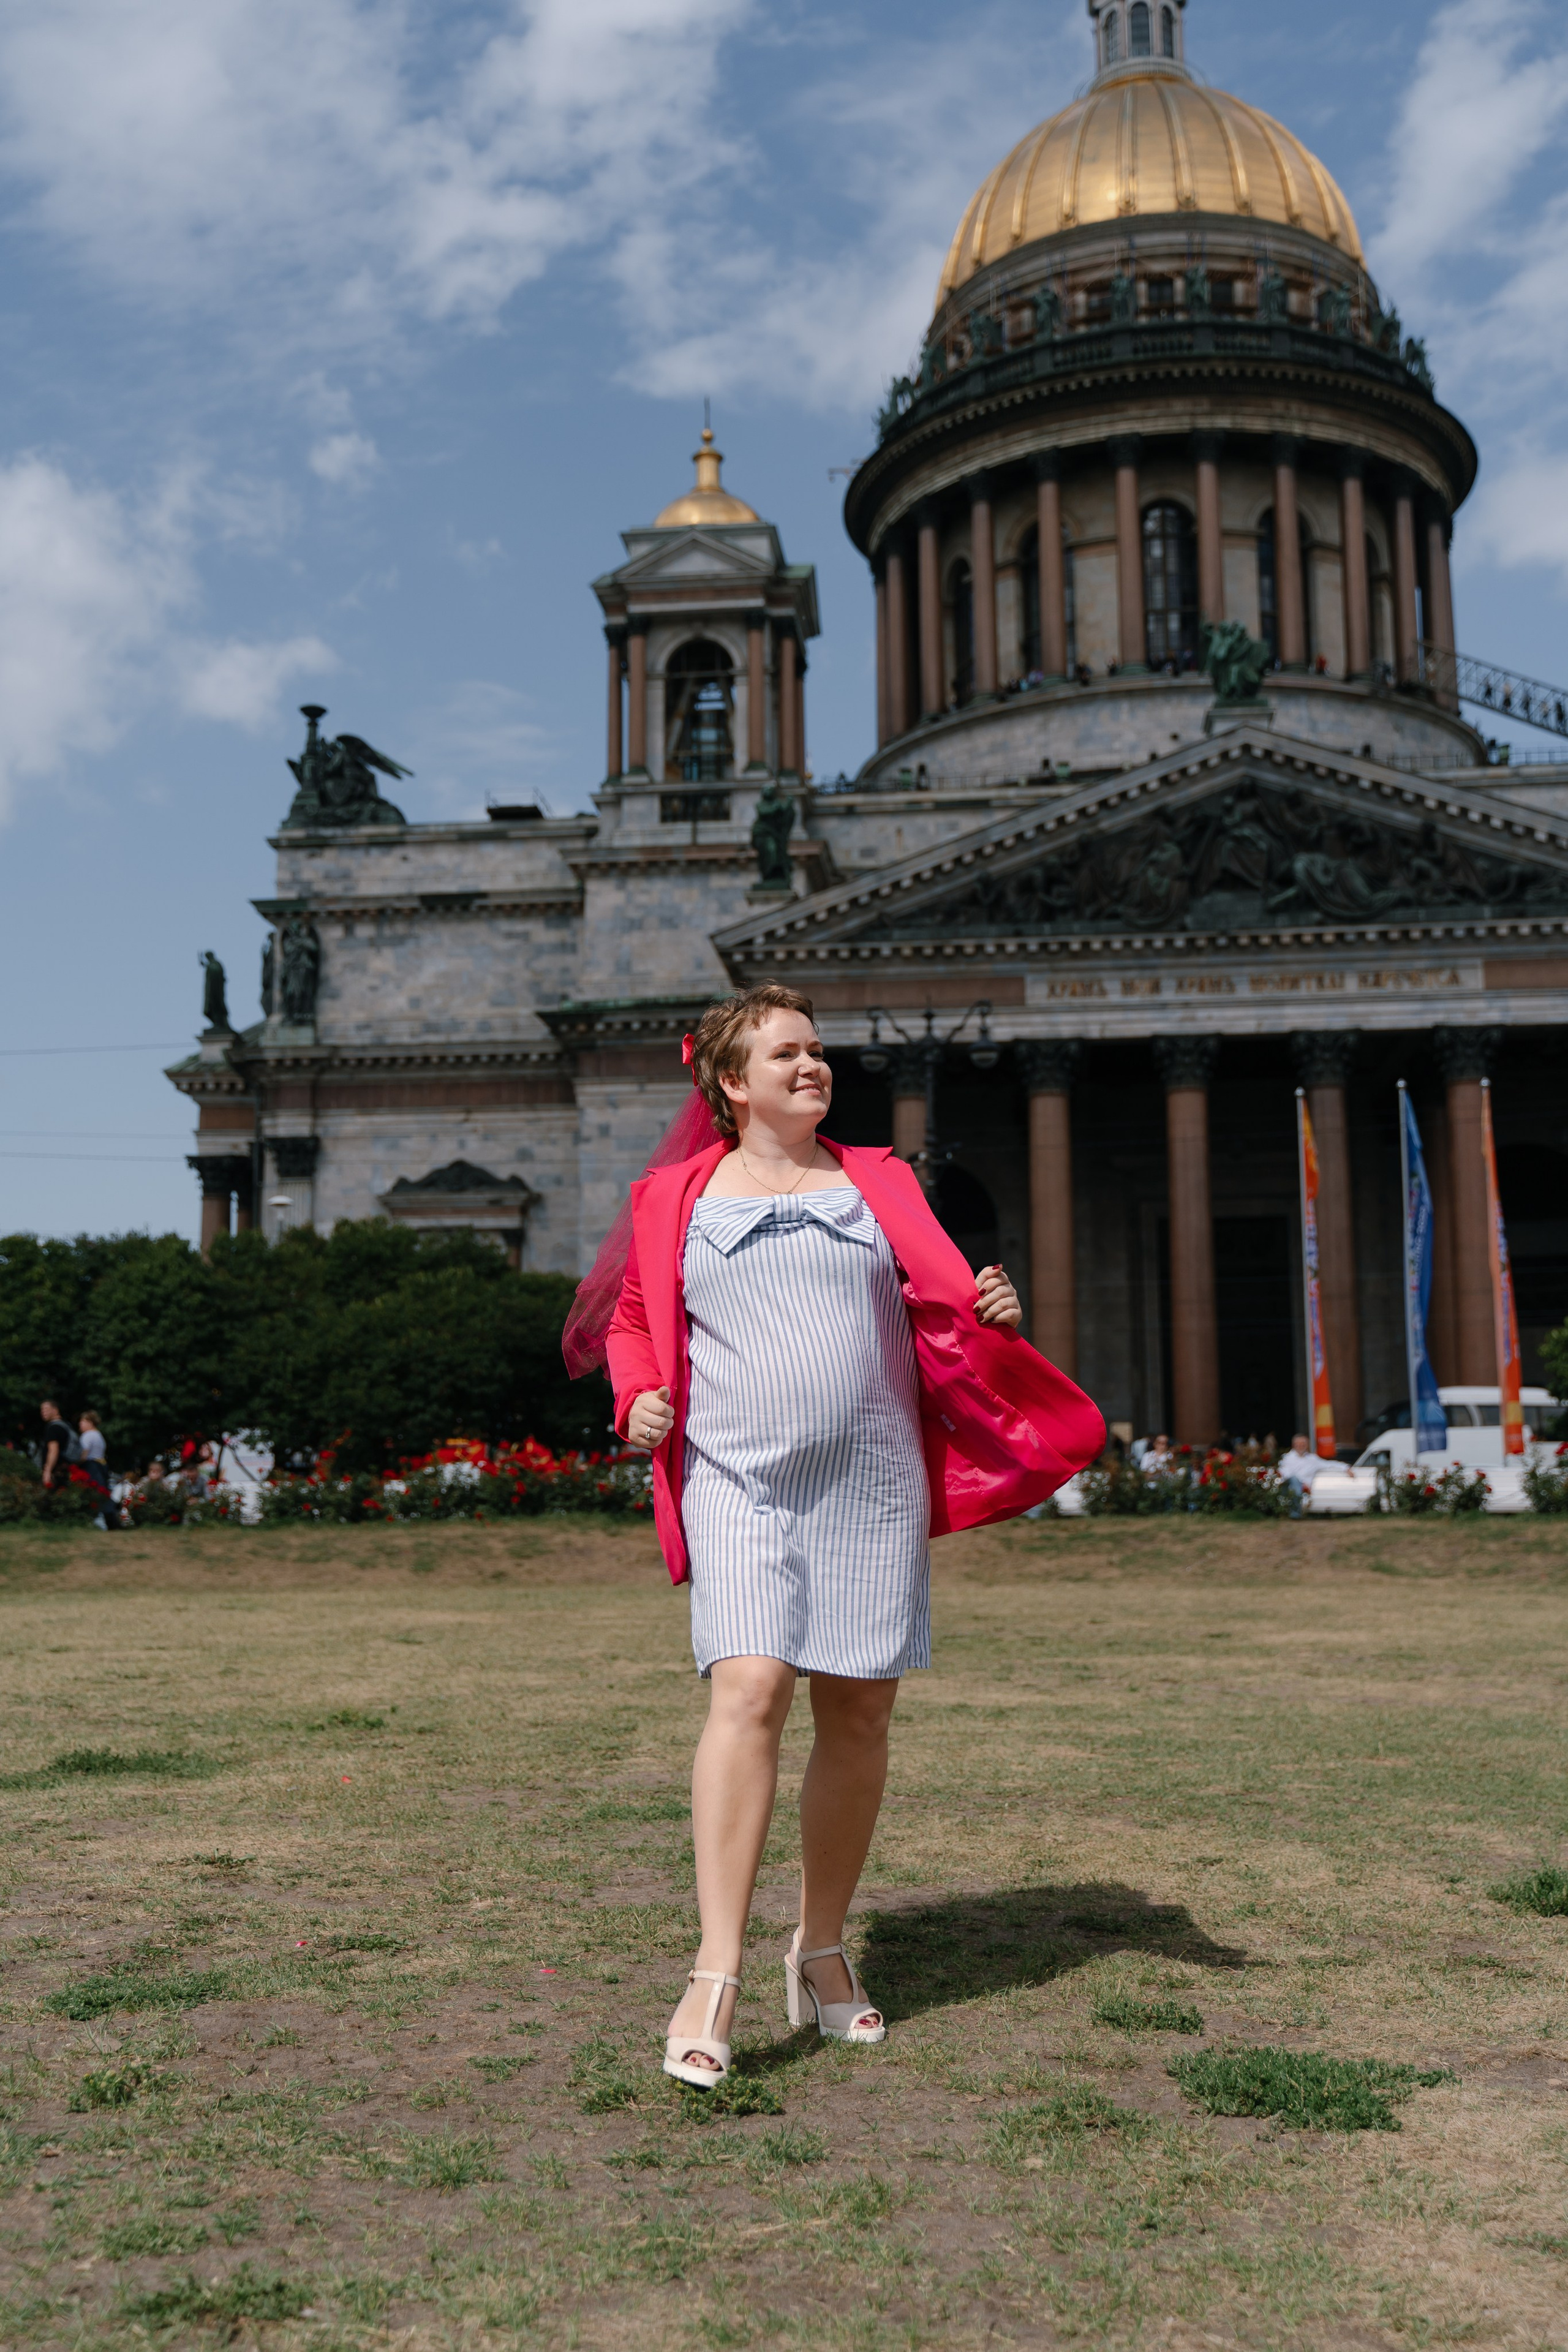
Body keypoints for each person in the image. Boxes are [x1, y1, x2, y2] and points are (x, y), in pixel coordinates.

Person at [581, 984, 1103, 2090]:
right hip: (736, 1476)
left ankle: (819, 1947)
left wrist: (993, 1307)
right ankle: (714, 1971)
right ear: (732, 1083)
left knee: (858, 1706)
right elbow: (633, 1318)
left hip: (871, 1474)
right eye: (786, 1054)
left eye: (817, 1051)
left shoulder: (883, 1180)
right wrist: (636, 1399)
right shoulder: (673, 1194)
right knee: (750, 1688)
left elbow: (948, 1302)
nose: (813, 1066)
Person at [75, 1411, 120, 1530]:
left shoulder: (87, 1436)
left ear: (90, 1423)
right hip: (101, 1466)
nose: (80, 1424)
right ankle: (112, 1520)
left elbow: (84, 1455)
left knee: (96, 1494)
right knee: (103, 1492)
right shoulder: (99, 1435)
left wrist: (75, 1464)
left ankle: (100, 1520)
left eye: (83, 1422)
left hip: (91, 1467)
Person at [1280, 1432, 1328, 1513]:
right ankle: (1295, 1513)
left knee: (1297, 1485)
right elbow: (1286, 1474)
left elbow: (1329, 1464)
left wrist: (1346, 1468)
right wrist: (1302, 1483)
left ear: (1307, 1445)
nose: (1300, 1446)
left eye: (1303, 1444)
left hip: (1305, 1491)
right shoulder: (1287, 1458)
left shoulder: (1313, 1459)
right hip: (1289, 1488)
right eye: (1298, 1444)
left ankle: (1296, 1513)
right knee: (1294, 1480)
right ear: (1294, 1445)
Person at [39, 1401, 79, 1491]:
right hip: (66, 1470)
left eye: (46, 1409)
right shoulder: (66, 1426)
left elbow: (53, 1450)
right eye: (42, 1410)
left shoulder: (54, 1428)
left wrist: (48, 1471)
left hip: (55, 1472)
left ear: (55, 1410)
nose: (43, 1412)